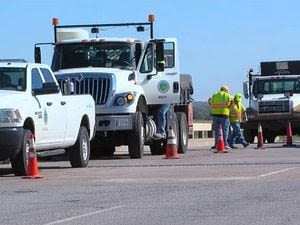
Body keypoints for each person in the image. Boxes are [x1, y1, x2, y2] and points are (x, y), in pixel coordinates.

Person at [208, 85, 233, 152]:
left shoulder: (214, 95)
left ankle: (216, 144)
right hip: (224, 114)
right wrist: (229, 109)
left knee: (216, 130)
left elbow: (209, 101)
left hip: (215, 115)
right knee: (225, 130)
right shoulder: (227, 95)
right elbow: (232, 102)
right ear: (226, 90)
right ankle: (224, 144)